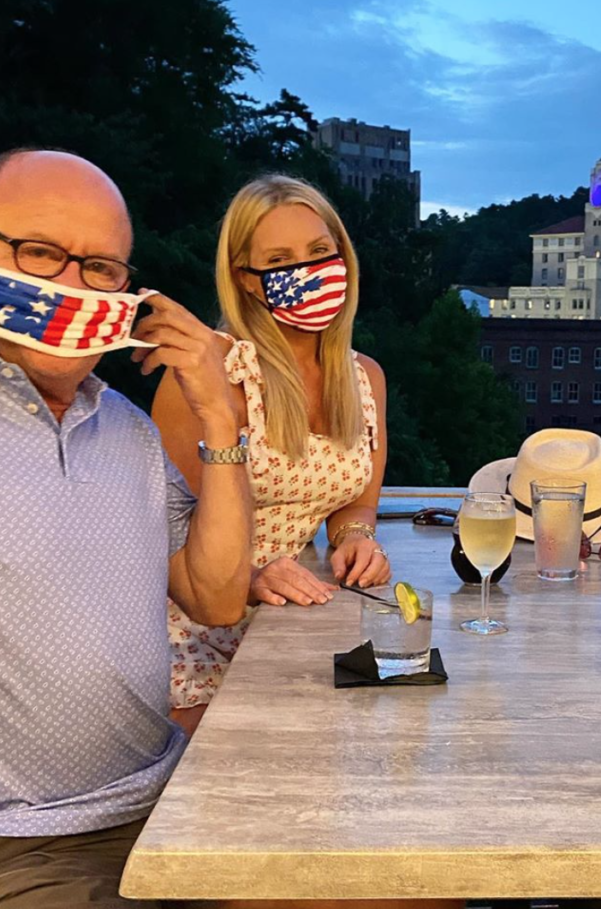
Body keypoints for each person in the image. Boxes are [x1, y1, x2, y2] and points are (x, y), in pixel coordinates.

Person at [0, 149, 251, 906]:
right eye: (41, 252)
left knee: (389, 880)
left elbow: (215, 596)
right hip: (29, 842)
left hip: (167, 791)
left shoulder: (129, 431)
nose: (72, 282)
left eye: (103, 267)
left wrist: (218, 415)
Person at [153, 174, 390, 732]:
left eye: (319, 252)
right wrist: (251, 574)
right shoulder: (208, 372)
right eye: (281, 261)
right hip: (191, 632)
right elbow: (165, 533)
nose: (307, 272)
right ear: (248, 280)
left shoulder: (364, 378)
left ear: (343, 258)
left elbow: (355, 504)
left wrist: (358, 541)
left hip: (293, 624)